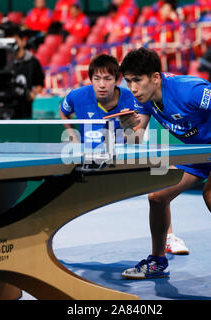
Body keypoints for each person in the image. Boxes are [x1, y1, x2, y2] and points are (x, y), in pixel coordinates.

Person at [118, 47, 211, 296]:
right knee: (157, 196)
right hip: (199, 151)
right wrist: (128, 128)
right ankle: (158, 262)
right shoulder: (146, 100)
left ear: (155, 78)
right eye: (128, 81)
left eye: (137, 80)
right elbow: (135, 142)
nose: (132, 87)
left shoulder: (189, 90)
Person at [59, 53, 190, 255]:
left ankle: (169, 237)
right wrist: (70, 134)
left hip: (127, 155)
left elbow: (138, 134)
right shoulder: (77, 96)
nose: (102, 84)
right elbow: (64, 111)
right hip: (93, 160)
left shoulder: (133, 98)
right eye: (97, 79)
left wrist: (130, 129)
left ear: (118, 80)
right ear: (91, 79)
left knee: (163, 174)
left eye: (108, 79)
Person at [1, 22, 45, 119]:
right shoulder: (3, 62)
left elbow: (40, 83)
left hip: (24, 108)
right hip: (5, 107)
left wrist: (33, 93)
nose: (13, 44)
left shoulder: (33, 61)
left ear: (23, 42)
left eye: (15, 41)